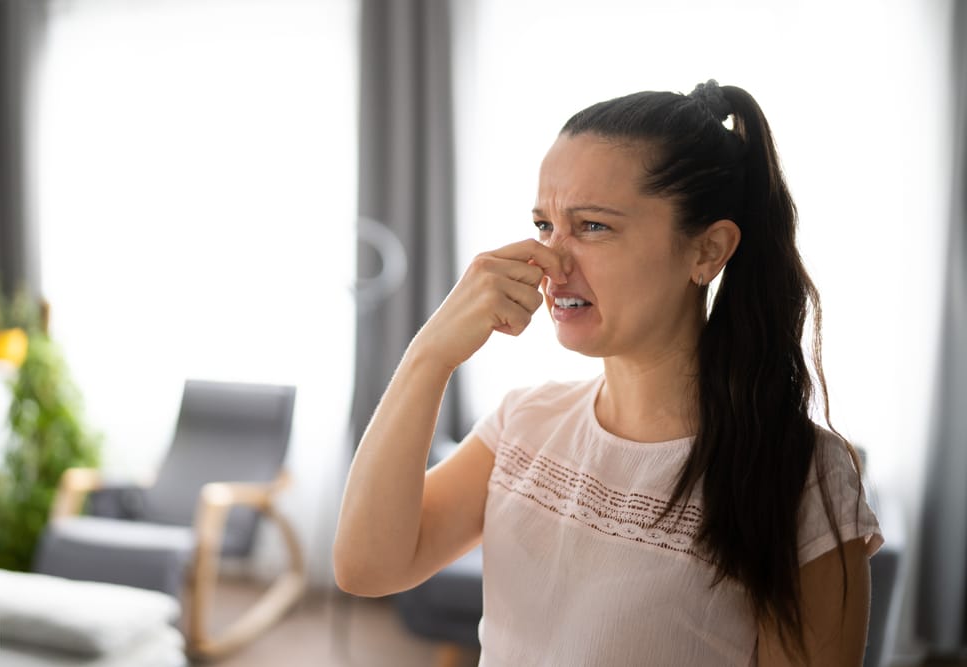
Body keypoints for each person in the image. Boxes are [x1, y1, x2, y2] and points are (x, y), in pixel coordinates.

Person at [333, 80, 883, 666]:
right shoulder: (525, 423)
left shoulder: (801, 477)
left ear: (707, 250)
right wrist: (430, 354)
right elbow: (367, 568)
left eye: (593, 226)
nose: (552, 261)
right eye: (545, 224)